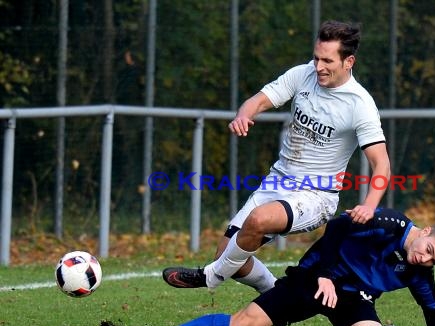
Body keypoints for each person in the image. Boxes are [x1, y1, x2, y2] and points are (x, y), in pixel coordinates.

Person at [163, 20, 391, 294]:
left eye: (327, 60)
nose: (319, 66)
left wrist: (369, 204)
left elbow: (382, 164)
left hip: (316, 195)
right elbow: (258, 100)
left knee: (258, 221)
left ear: (349, 61)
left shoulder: (360, 105)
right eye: (317, 57)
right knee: (226, 256)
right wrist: (244, 115)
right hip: (278, 181)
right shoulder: (303, 74)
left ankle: (208, 278)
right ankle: (276, 293)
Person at [127, 208, 435, 326]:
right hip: (313, 277)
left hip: (355, 297)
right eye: (429, 249)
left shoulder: (419, 271)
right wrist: (327, 276)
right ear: (425, 231)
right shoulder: (389, 223)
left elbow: (432, 307)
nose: (426, 259)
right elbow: (336, 228)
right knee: (242, 325)